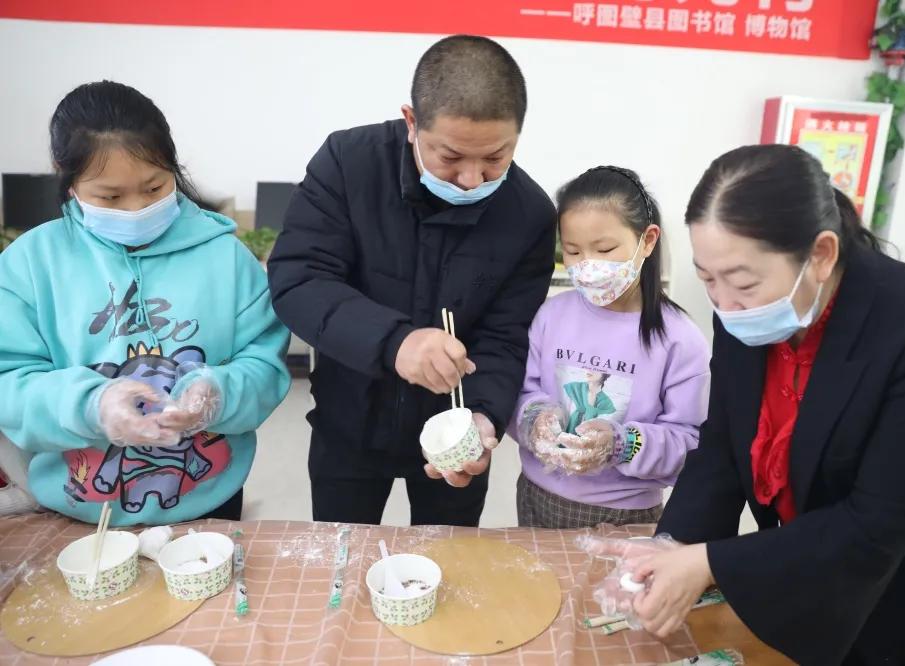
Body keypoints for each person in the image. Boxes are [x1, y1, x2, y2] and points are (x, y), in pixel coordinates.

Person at [583, 145, 905, 665]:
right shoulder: (745, 311)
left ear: (821, 255)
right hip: (815, 562)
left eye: (742, 282)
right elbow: (724, 448)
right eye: (708, 279)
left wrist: (709, 562)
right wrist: (673, 542)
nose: (724, 304)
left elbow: (875, 527)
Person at [267, 35, 556, 526]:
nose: (472, 178)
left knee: (448, 570)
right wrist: (394, 342)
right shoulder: (348, 163)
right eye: (450, 156)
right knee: (342, 563)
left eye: (495, 157)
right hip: (349, 421)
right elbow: (299, 279)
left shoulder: (528, 213)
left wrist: (483, 420)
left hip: (455, 436)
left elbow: (508, 337)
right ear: (411, 122)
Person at [0, 81, 291, 526]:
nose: (136, 209)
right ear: (67, 176)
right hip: (76, 507)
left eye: (154, 188)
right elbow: (10, 384)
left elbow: (265, 365)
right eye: (110, 197)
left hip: (209, 501)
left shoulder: (225, 257)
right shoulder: (29, 264)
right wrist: (91, 406)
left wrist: (218, 394)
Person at [513, 166, 709, 529]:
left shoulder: (680, 339)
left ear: (647, 241)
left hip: (626, 514)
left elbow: (691, 444)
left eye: (604, 249)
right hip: (537, 496)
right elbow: (520, 391)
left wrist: (621, 444)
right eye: (572, 251)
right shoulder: (551, 315)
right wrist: (534, 419)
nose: (587, 265)